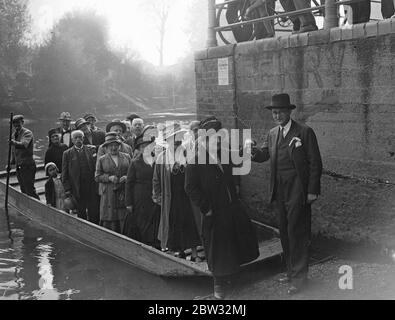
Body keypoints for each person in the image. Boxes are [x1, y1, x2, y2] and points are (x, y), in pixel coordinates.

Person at [250, 93, 323, 295]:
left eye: (280, 112)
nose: (277, 116)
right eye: (274, 113)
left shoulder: (305, 132)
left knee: (296, 233)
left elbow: (315, 164)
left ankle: (300, 280)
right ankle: (291, 272)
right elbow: (264, 155)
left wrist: (312, 191)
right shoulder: (273, 133)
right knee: (284, 232)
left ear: (289, 112)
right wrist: (252, 151)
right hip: (279, 190)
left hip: (298, 189)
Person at [185, 117, 259, 300]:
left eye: (218, 136)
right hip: (213, 210)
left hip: (230, 207)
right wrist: (206, 208)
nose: (216, 140)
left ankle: (232, 276)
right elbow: (190, 188)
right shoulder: (195, 161)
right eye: (212, 137)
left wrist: (248, 146)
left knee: (232, 241)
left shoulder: (224, 154)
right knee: (216, 248)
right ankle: (218, 284)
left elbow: (240, 156)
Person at [153, 123, 201, 261]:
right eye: (173, 138)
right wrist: (158, 196)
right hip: (171, 196)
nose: (177, 141)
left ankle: (194, 253)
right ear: (168, 141)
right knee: (174, 223)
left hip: (187, 196)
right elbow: (156, 179)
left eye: (179, 137)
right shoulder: (162, 157)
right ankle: (179, 251)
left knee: (191, 223)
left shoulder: (188, 154)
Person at [124, 126, 161, 248]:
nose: (146, 149)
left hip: (154, 195)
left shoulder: (157, 160)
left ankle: (155, 244)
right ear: (139, 149)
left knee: (155, 220)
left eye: (148, 146)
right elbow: (129, 183)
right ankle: (144, 245)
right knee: (142, 221)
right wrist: (129, 203)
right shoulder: (135, 162)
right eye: (143, 147)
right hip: (140, 196)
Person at [95, 133, 132, 232]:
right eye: (110, 145)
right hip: (108, 193)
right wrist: (109, 178)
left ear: (119, 146)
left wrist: (126, 177)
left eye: (116, 145)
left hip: (123, 192)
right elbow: (97, 177)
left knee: (123, 215)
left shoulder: (127, 156)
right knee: (110, 216)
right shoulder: (102, 159)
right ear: (106, 147)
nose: (113, 148)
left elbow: (132, 172)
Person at [62, 130, 99, 223]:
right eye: (76, 138)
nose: (78, 140)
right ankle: (83, 225)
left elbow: (96, 167)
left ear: (83, 139)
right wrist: (67, 189)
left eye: (80, 137)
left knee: (93, 208)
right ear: (72, 140)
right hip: (77, 186)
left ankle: (94, 224)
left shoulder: (90, 150)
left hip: (90, 184)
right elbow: (65, 173)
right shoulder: (67, 153)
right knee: (81, 209)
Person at [10, 115, 40, 200]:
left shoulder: (27, 133)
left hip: (27, 166)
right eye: (14, 124)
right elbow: (14, 152)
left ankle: (39, 206)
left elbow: (24, 145)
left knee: (29, 189)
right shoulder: (13, 135)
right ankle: (29, 208)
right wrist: (11, 163)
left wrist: (14, 143)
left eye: (18, 123)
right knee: (23, 190)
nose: (16, 125)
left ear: (22, 123)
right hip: (19, 167)